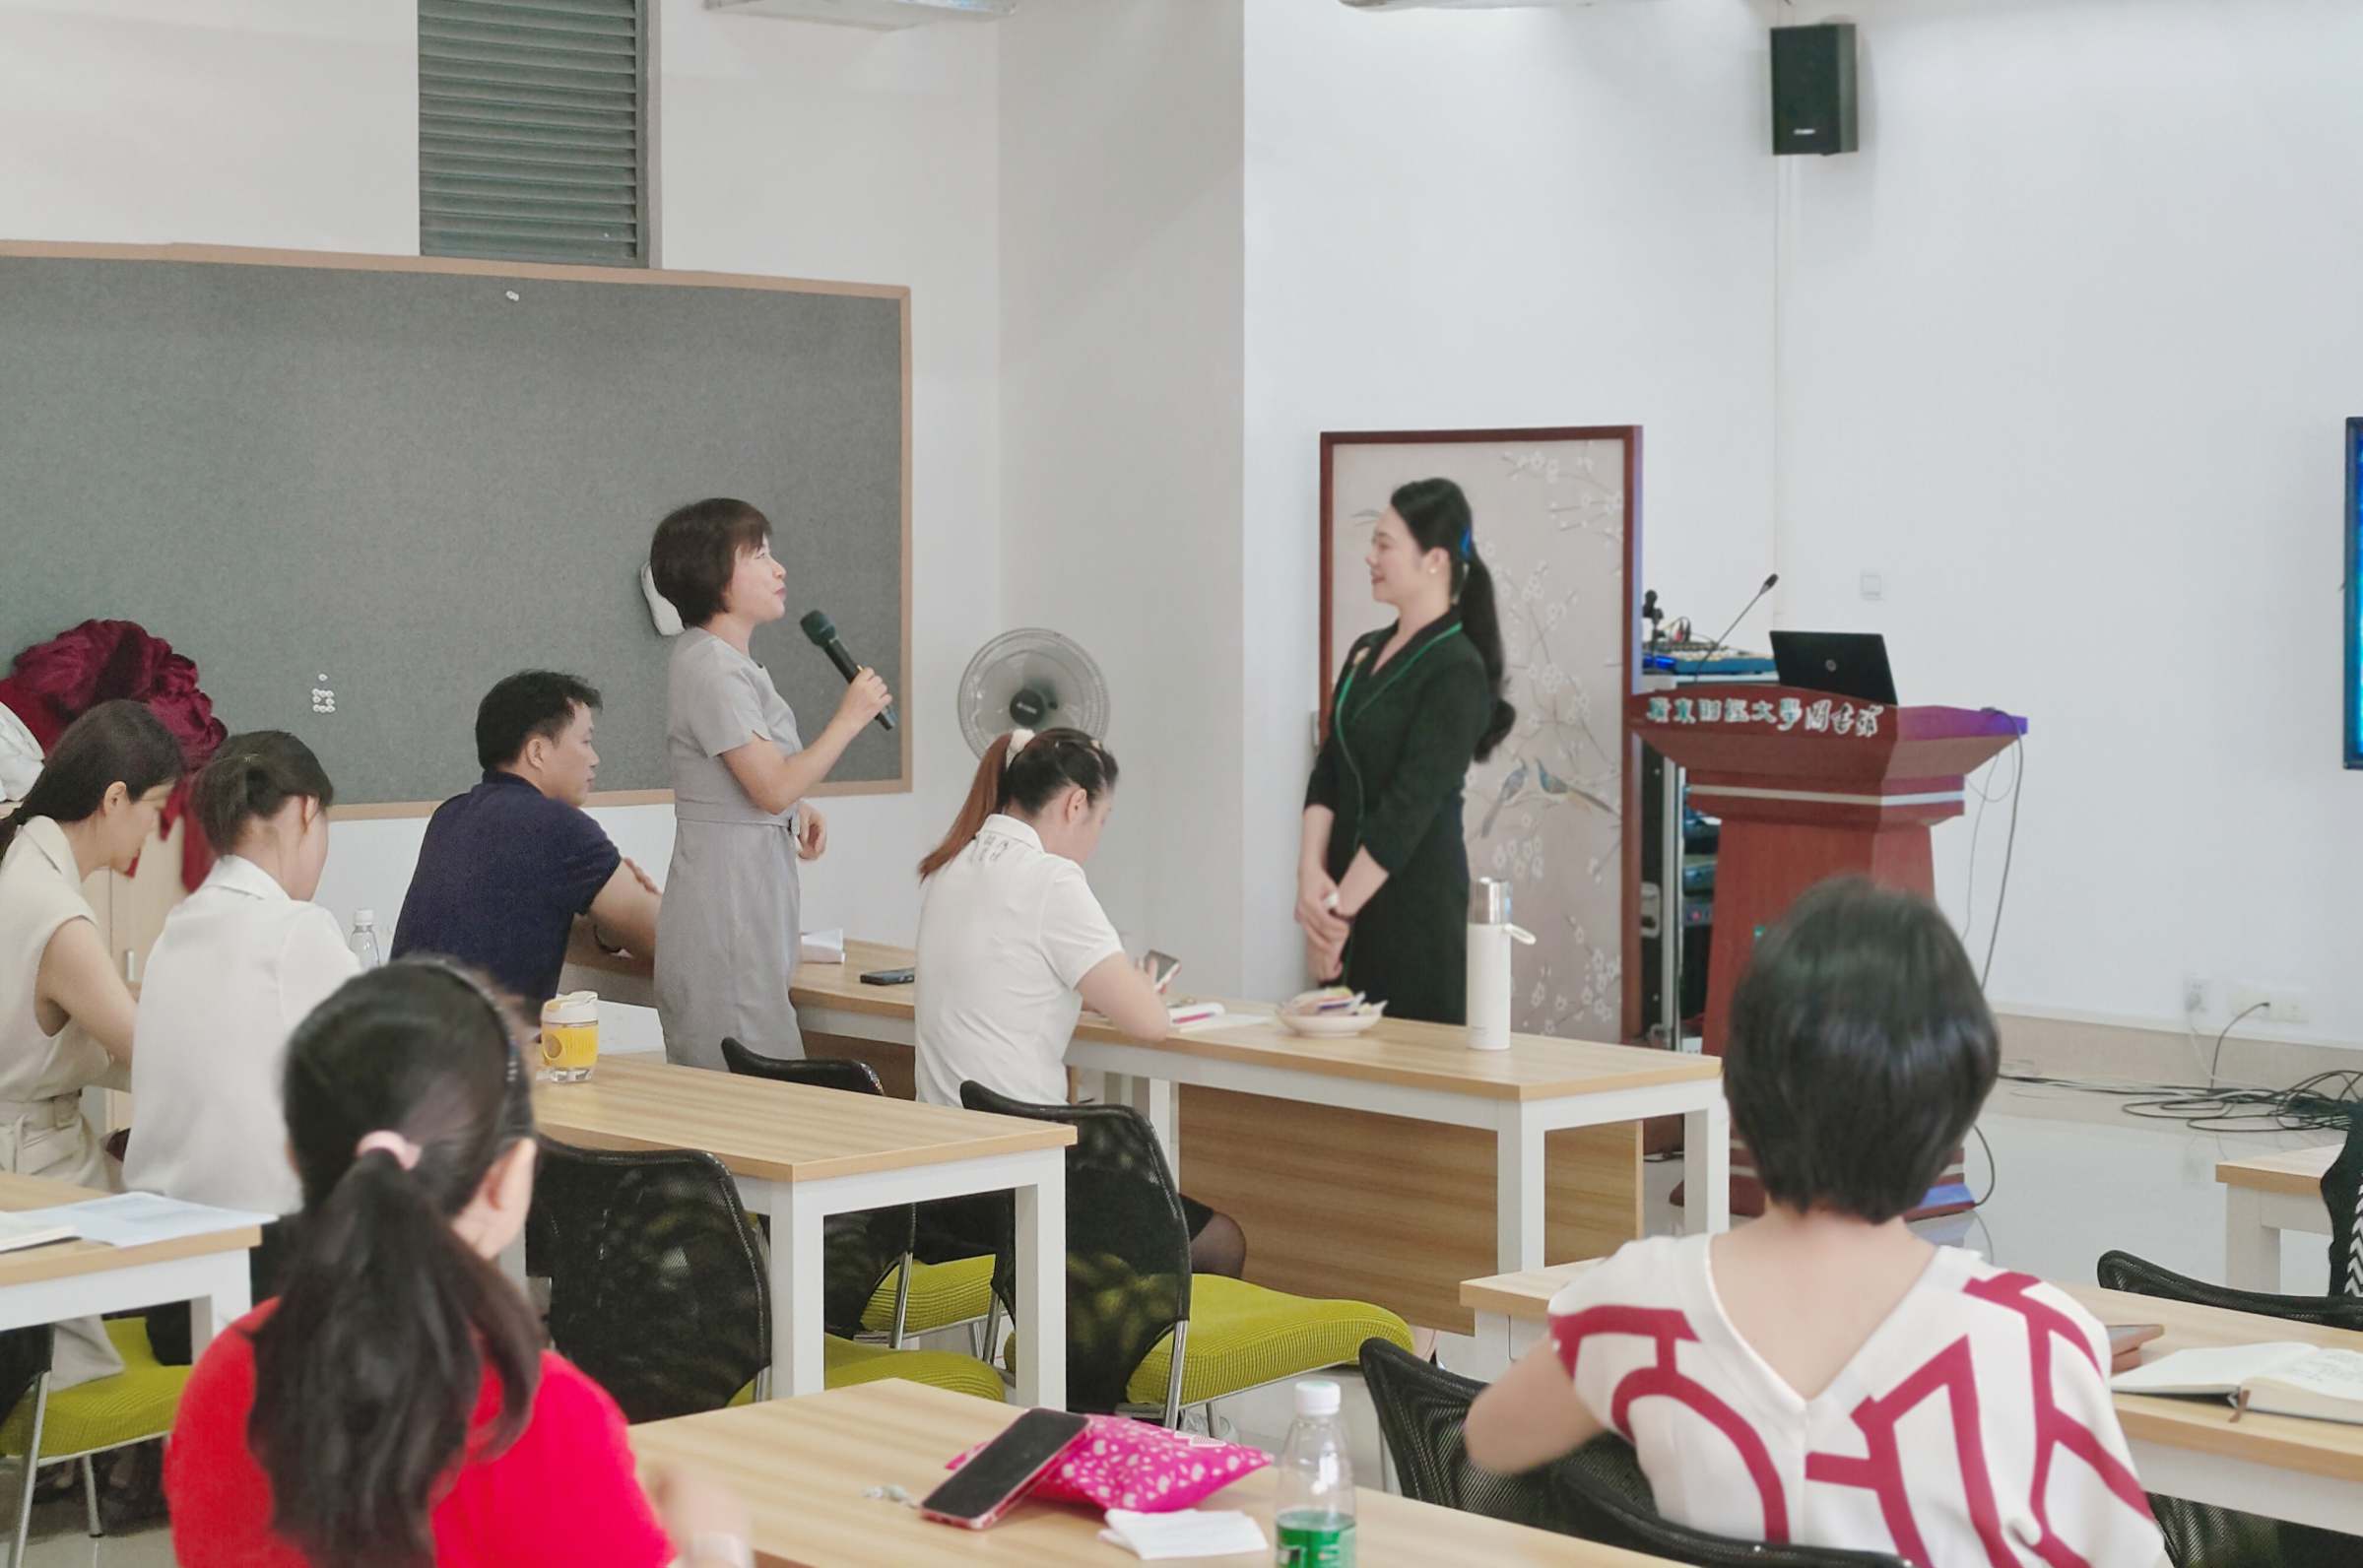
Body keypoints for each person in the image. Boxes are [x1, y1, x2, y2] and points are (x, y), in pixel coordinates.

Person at [1463, 881, 2167, 1566]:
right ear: (1953, 1109)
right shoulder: (2033, 1340)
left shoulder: (1639, 1303)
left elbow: (1486, 1443)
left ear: (1741, 1088)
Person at [164, 959, 752, 1567]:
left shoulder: (226, 1376)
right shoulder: (540, 1417)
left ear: (294, 1158)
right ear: (511, 1177)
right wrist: (714, 1545)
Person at [914, 727, 1245, 1278]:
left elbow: (1007, 974)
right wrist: (1137, 989)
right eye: (1101, 819)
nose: (1096, 838)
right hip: (1019, 1180)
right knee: (1220, 1241)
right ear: (1075, 804)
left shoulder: (951, 865)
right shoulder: (1052, 880)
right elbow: (1150, 1023)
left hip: (939, 1184)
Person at [128, 731, 358, 1364]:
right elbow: (389, 1067)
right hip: (263, 1287)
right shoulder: (296, 930)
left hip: (167, 1285)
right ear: (306, 810)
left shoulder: (176, 930)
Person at [647, 497, 891, 1069]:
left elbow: (764, 785)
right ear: (714, 575)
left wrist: (796, 808)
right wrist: (849, 719)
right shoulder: (712, 665)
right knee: (749, 1080)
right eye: (758, 555)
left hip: (748, 892)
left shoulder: (728, 661)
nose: (778, 569)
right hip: (726, 906)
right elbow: (771, 787)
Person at [0, 699, 182, 1386]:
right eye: (154, 808)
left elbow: (98, 1008)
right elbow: (149, 1050)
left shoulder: (24, 865)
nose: (157, 830)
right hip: (33, 1173)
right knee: (208, 1243)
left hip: (31, 1152)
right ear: (113, 799)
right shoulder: (55, 912)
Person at [1296, 477, 1515, 1025]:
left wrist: (1335, 917)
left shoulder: (1457, 669)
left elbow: (1408, 808)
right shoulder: (1364, 651)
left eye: (1384, 544)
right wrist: (1310, 875)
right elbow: (1329, 768)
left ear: (1434, 560)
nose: (1370, 557)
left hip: (1413, 913)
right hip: (1342, 902)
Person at [393, 671, 661, 1011]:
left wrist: (607, 930)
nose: (595, 759)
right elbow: (663, 939)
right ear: (537, 752)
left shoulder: (450, 816)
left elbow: (527, 920)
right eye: (585, 741)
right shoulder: (558, 827)